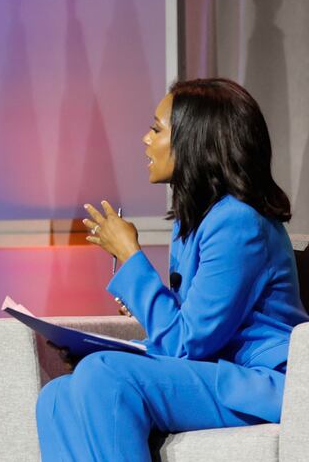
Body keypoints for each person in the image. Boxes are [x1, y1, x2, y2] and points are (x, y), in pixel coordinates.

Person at [35, 78, 309, 461]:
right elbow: (185, 333)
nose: (146, 140)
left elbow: (186, 344)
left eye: (156, 129)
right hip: (214, 370)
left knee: (106, 374)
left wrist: (130, 256)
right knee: (57, 398)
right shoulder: (192, 223)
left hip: (261, 384)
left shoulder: (238, 223)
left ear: (194, 140)